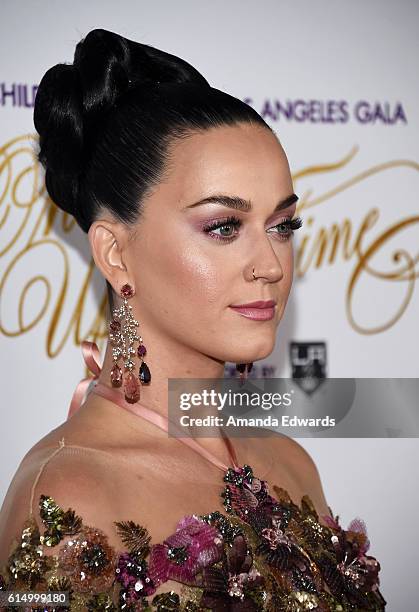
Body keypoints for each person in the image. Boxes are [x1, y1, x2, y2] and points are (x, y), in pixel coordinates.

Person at [0, 28, 386, 611]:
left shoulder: (290, 465)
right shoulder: (68, 494)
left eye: (283, 226)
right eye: (224, 228)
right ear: (114, 253)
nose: (271, 265)